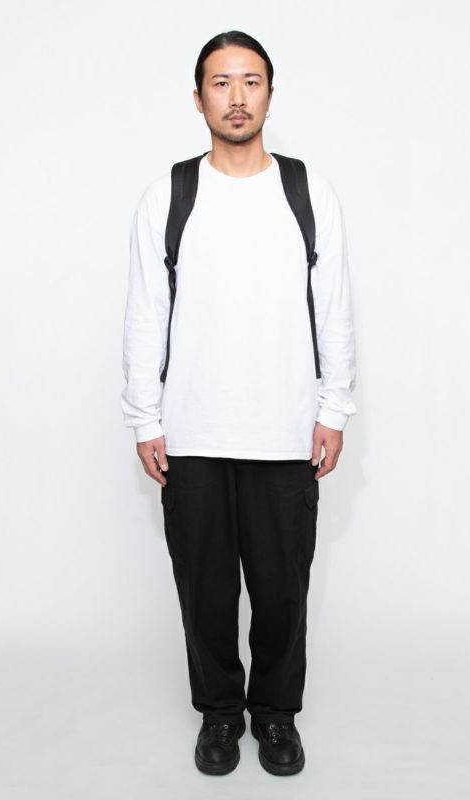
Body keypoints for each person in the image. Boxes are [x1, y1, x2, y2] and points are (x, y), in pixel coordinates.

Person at [120, 30, 357, 777]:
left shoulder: (306, 191)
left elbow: (334, 304)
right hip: (192, 433)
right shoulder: (171, 193)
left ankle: (276, 714)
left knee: (283, 592)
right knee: (207, 592)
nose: (236, 97)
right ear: (198, 99)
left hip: (284, 431)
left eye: (250, 81)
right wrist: (145, 416)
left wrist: (334, 407)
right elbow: (146, 310)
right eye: (220, 83)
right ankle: (220, 714)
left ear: (270, 95)